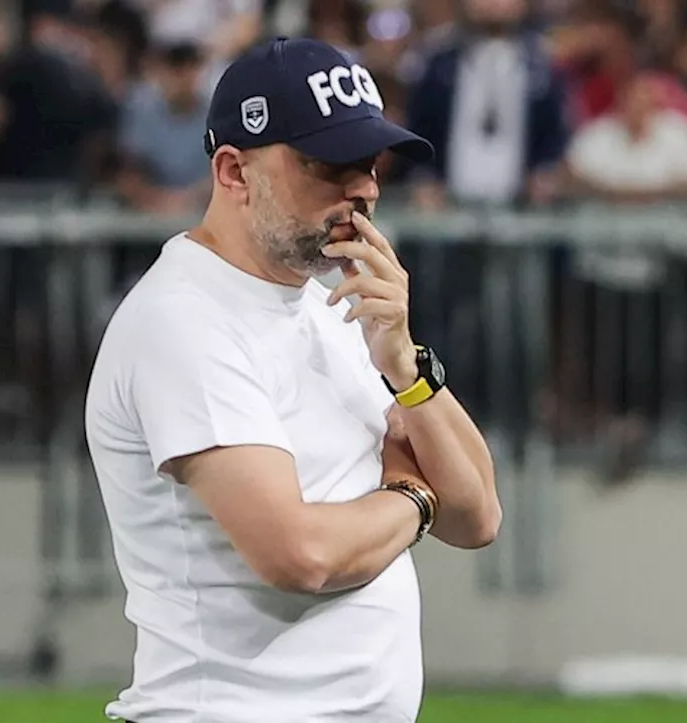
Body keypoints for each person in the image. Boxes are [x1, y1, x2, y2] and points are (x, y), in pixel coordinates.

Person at [84, 37, 501, 723]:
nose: (363, 188)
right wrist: (412, 496)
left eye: (369, 164)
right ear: (234, 171)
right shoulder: (184, 320)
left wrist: (403, 363)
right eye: (329, 164)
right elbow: (298, 553)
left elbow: (479, 512)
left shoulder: (335, 304)